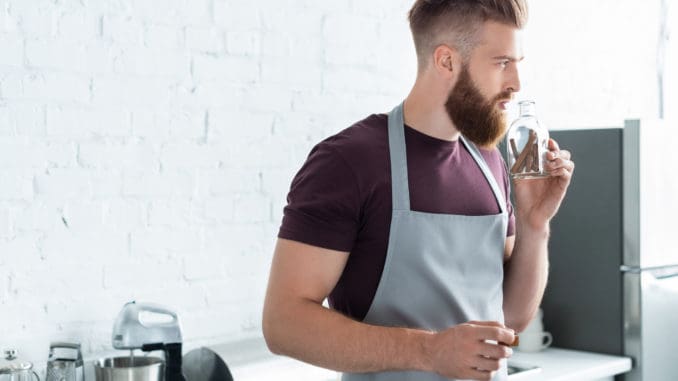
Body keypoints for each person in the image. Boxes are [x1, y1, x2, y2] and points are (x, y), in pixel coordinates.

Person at [263, 1, 574, 380]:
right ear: (446, 61)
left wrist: (534, 223)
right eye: (501, 62)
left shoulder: (490, 162)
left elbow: (510, 317)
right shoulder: (347, 162)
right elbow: (283, 324)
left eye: (517, 62)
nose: (516, 83)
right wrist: (428, 350)